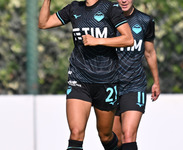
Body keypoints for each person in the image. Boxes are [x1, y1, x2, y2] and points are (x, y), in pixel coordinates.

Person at [38, 0, 134, 149]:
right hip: (79, 77)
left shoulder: (110, 8)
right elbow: (44, 23)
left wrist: (98, 41)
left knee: (105, 135)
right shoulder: (74, 7)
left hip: (106, 80)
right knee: (76, 132)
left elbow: (128, 39)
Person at [112, 0, 161, 150]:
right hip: (109, 85)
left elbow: (150, 52)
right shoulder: (107, 18)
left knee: (128, 136)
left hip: (134, 85)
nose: (124, 0)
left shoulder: (145, 20)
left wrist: (156, 82)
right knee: (114, 140)